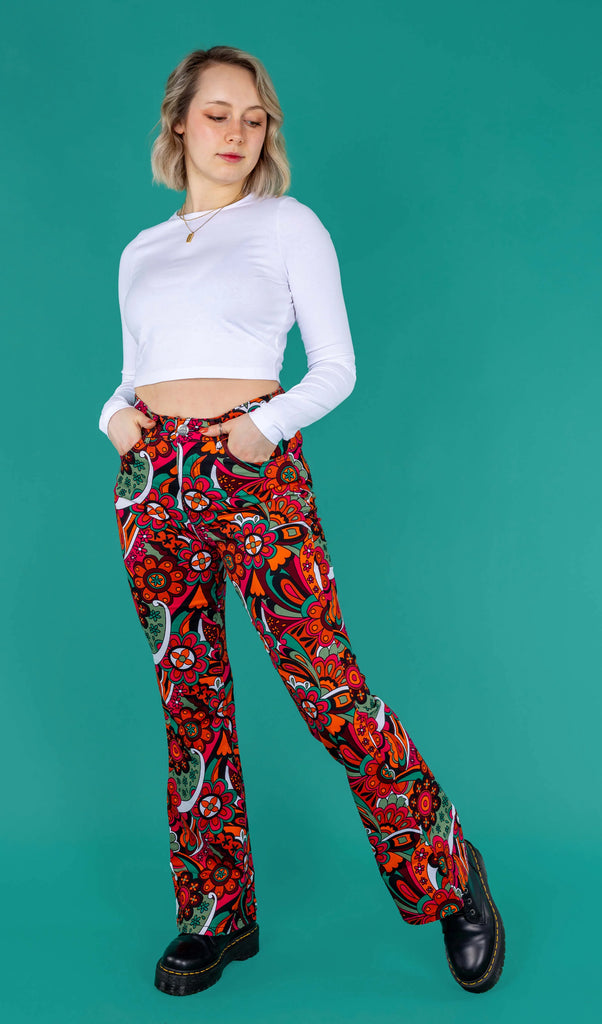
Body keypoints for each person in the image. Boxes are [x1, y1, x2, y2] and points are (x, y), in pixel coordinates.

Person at [99, 45, 506, 998]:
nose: (237, 133)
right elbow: (133, 369)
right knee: (190, 700)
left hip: (253, 470)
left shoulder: (287, 224)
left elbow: (336, 366)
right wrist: (112, 418)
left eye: (254, 118)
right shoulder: (140, 251)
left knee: (328, 688)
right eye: (218, 114)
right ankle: (217, 912)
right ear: (179, 123)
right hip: (152, 481)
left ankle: (451, 875)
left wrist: (263, 428)